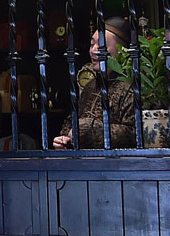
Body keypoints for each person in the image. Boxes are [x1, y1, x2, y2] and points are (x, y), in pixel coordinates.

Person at [51, 17, 138, 148]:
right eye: (92, 44)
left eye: (101, 45)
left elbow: (134, 133)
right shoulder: (90, 87)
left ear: (122, 50)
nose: (93, 50)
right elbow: (71, 122)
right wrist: (64, 139)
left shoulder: (131, 86)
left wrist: (89, 129)